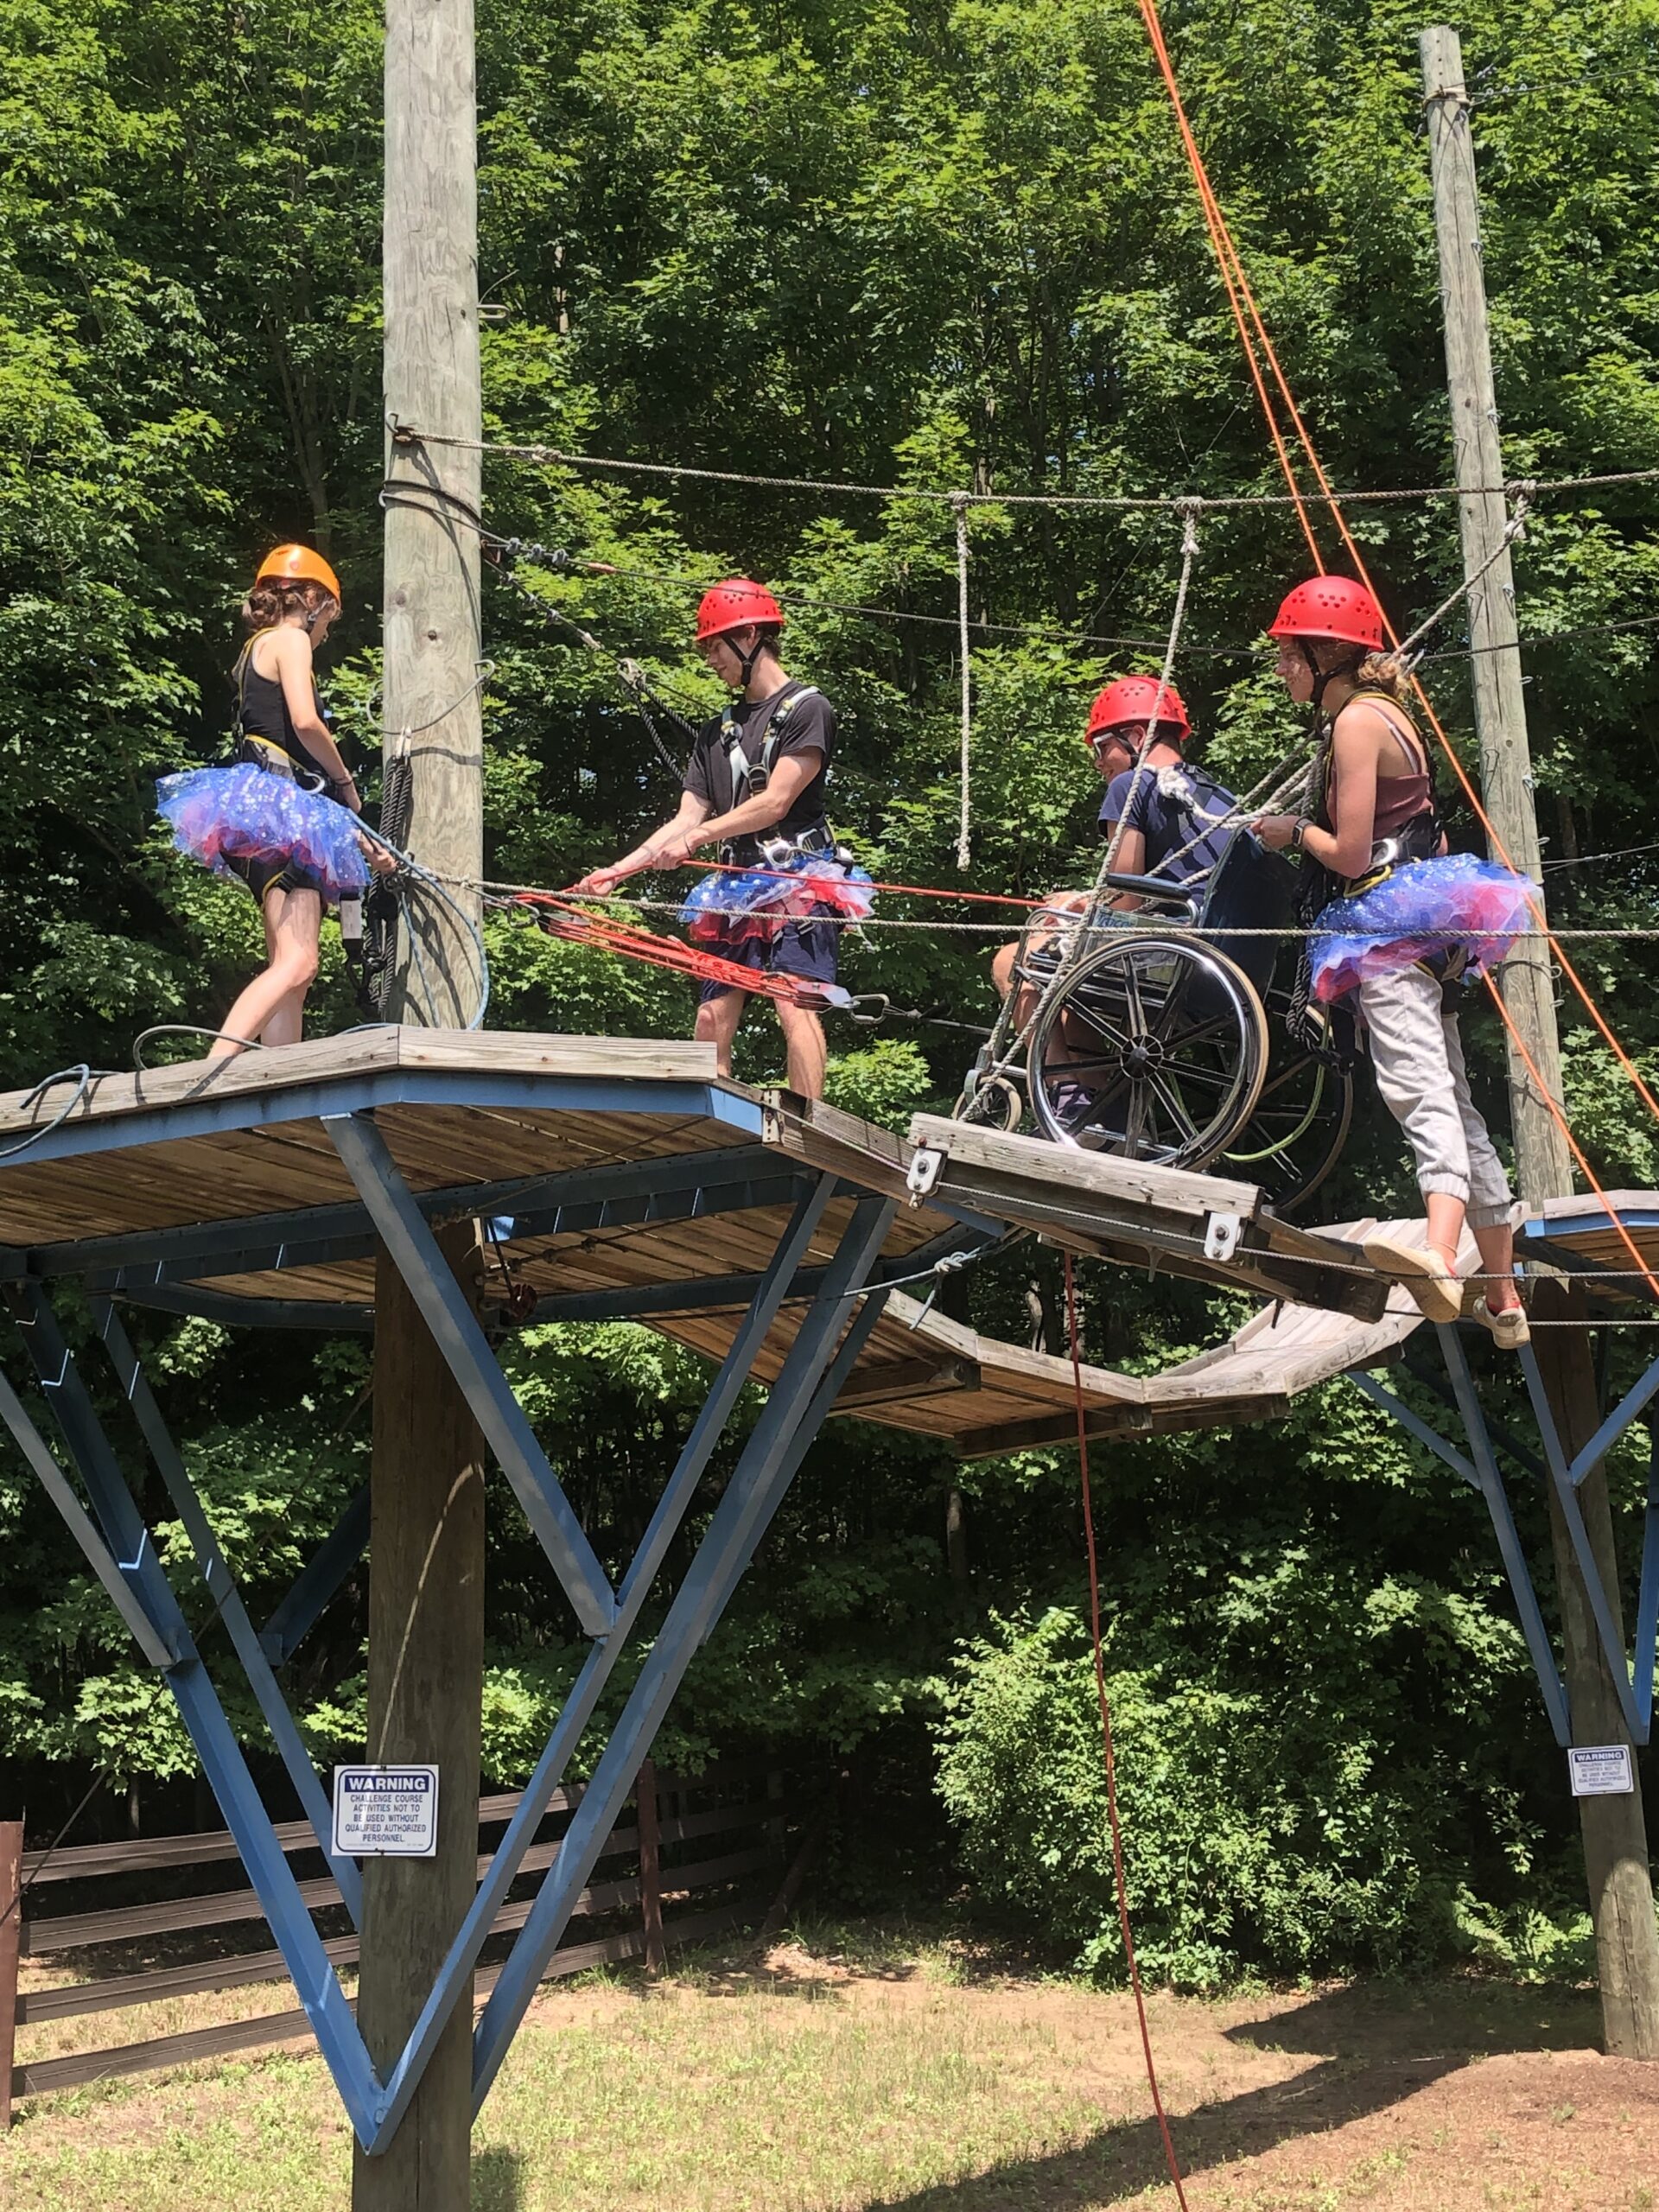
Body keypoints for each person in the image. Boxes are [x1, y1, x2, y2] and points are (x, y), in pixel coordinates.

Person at [1250, 573, 1532, 1346]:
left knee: (1417, 1088)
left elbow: (1345, 853)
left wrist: (1287, 832)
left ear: (1325, 653)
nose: (1282, 671)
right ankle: (1502, 1293)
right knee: (1457, 1100)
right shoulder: (1395, 717)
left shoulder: (1354, 724)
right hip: (1428, 924)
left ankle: (1442, 1255)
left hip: (1383, 926)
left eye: (1287, 655)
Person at [575, 578, 868, 1099]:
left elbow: (775, 802)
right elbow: (687, 817)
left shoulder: (807, 709)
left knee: (793, 1000)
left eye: (715, 645)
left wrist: (699, 839)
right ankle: (715, 1126)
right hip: (736, 888)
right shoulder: (718, 731)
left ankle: (809, 1125)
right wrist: (619, 872)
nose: (710, 659)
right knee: (712, 1014)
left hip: (798, 877)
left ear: (750, 636)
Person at [157, 545, 383, 1058]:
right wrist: (346, 782)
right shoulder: (292, 640)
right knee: (299, 963)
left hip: (255, 813)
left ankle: (273, 1080)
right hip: (285, 815)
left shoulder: (252, 650)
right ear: (316, 601)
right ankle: (213, 1071)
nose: (327, 633)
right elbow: (306, 723)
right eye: (331, 618)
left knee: (291, 970)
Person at [989, 676, 1236, 1014]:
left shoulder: (1130, 786)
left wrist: (1076, 910)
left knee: (1012, 961)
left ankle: (1064, 1069)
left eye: (1102, 747)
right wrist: (1085, 902)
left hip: (1165, 956)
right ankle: (1079, 1069)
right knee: (1065, 988)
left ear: (1136, 737)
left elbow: (1125, 903)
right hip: (1225, 964)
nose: (1097, 761)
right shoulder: (1222, 798)